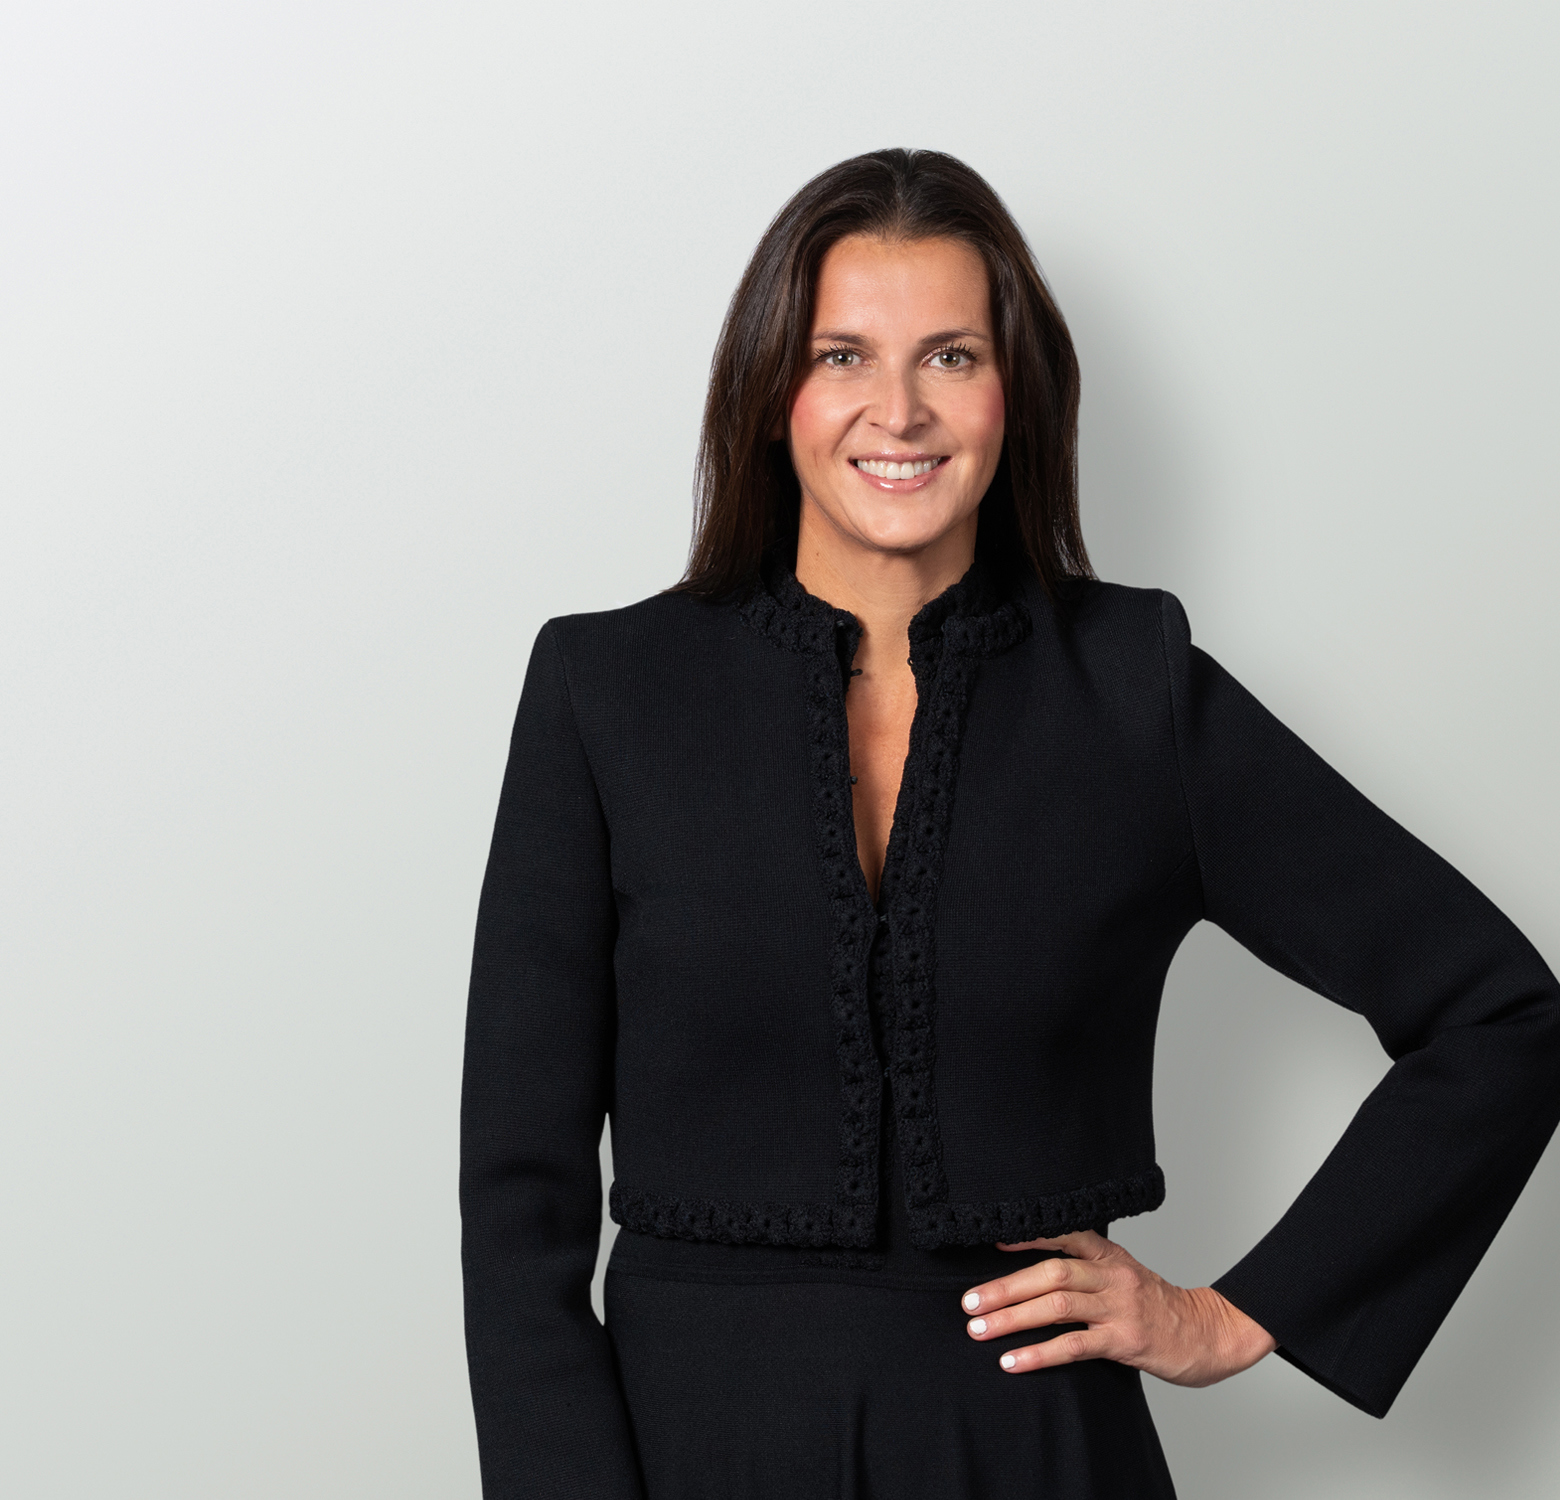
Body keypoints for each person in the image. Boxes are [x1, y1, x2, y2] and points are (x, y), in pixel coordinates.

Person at [458, 148, 1560, 1499]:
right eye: (844, 356)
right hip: (691, 1448)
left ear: (1015, 392)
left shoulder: (1133, 691)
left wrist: (1230, 1317)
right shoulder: (607, 691)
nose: (899, 411)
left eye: (952, 357)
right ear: (770, 393)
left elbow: (1502, 1013)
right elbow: (518, 1197)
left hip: (1035, 1451)